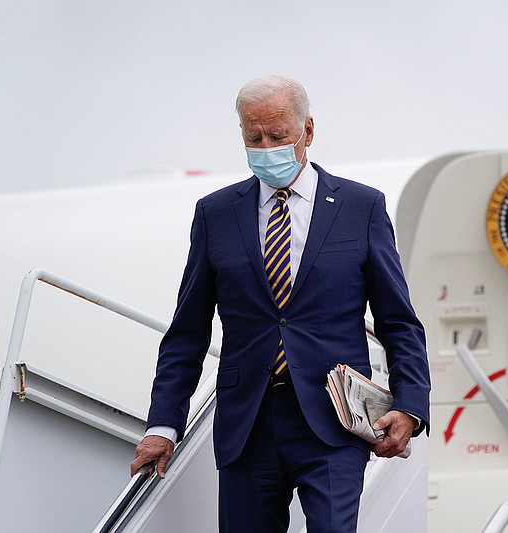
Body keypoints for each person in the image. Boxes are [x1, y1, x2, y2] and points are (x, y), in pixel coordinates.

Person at [129, 75, 431, 533]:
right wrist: (162, 426)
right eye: (254, 138)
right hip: (247, 424)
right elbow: (187, 333)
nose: (266, 147)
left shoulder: (360, 206)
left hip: (333, 421)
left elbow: (398, 322)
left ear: (307, 131)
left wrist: (410, 407)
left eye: (278, 135)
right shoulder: (215, 214)